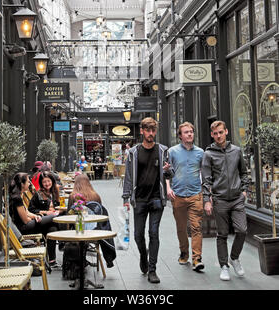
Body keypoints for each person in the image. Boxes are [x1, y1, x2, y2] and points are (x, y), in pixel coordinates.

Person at [122, 117, 172, 284]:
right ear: (142, 131)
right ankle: (144, 256)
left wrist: (168, 171)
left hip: (157, 198)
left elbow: (170, 174)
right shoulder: (133, 152)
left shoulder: (163, 150)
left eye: (153, 130)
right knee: (137, 235)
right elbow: (129, 176)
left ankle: (152, 270)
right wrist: (126, 197)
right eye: (148, 130)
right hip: (139, 199)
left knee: (153, 233)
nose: (151, 134)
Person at [202, 120, 249, 281]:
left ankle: (234, 257)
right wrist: (207, 200)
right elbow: (206, 179)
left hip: (237, 199)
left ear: (226, 132)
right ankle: (224, 266)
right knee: (222, 234)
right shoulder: (208, 154)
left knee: (242, 230)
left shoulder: (236, 151)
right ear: (212, 135)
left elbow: (243, 172)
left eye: (221, 132)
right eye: (215, 133)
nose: (218, 136)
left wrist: (244, 190)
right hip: (220, 199)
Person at [166, 122, 205, 271]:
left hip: (196, 194)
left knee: (196, 227)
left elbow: (204, 173)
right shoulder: (173, 152)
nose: (189, 134)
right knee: (181, 228)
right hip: (178, 195)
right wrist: (168, 188)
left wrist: (204, 191)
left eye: (191, 132)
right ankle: (184, 252)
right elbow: (167, 172)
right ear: (180, 135)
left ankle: (197, 259)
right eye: (186, 132)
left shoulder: (200, 153)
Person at [9, 172, 60, 267]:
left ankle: (52, 261)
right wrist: (37, 218)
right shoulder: (17, 199)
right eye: (28, 182)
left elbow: (27, 212)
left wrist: (35, 216)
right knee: (55, 216)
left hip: (29, 224)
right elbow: (25, 220)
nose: (30, 184)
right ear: (22, 184)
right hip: (24, 228)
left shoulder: (20, 195)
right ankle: (63, 240)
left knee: (52, 228)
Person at [68, 174, 116, 268]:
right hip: (95, 232)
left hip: (77, 232)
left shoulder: (73, 196)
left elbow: (69, 217)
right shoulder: (96, 196)